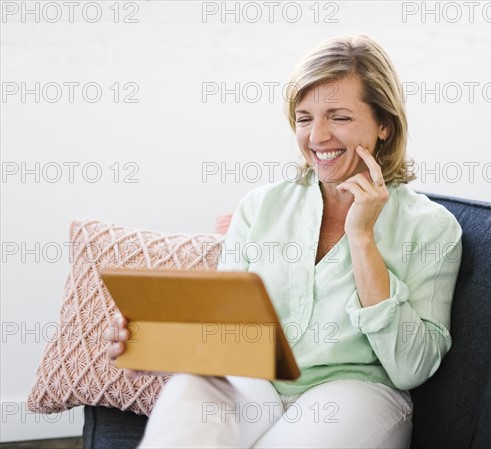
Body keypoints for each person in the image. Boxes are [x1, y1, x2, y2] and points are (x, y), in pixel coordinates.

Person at [106, 34, 462, 448]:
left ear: (384, 124)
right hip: (256, 384)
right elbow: (227, 333)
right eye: (305, 117)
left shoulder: (432, 228)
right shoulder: (260, 207)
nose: (317, 136)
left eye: (339, 117)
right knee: (190, 395)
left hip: (355, 391)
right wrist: (159, 347)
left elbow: (410, 367)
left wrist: (362, 237)